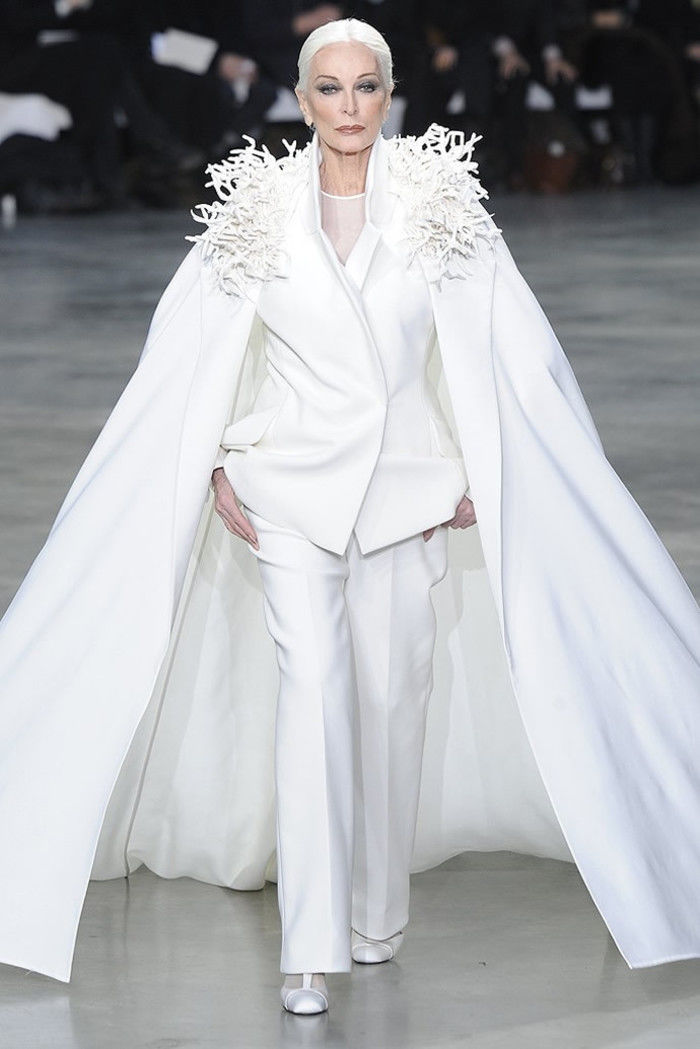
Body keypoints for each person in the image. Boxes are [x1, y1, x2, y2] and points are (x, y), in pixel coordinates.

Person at [1, 15, 700, 1023]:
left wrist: (486, 463)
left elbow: (513, 349)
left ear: (388, 92)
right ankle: (310, 946)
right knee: (316, 695)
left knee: (392, 703)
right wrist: (209, 462)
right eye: (328, 89)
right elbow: (184, 354)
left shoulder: (438, 201)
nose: (348, 107)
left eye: (365, 86)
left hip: (409, 492)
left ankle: (374, 916)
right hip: (287, 488)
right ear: (301, 99)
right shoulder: (255, 206)